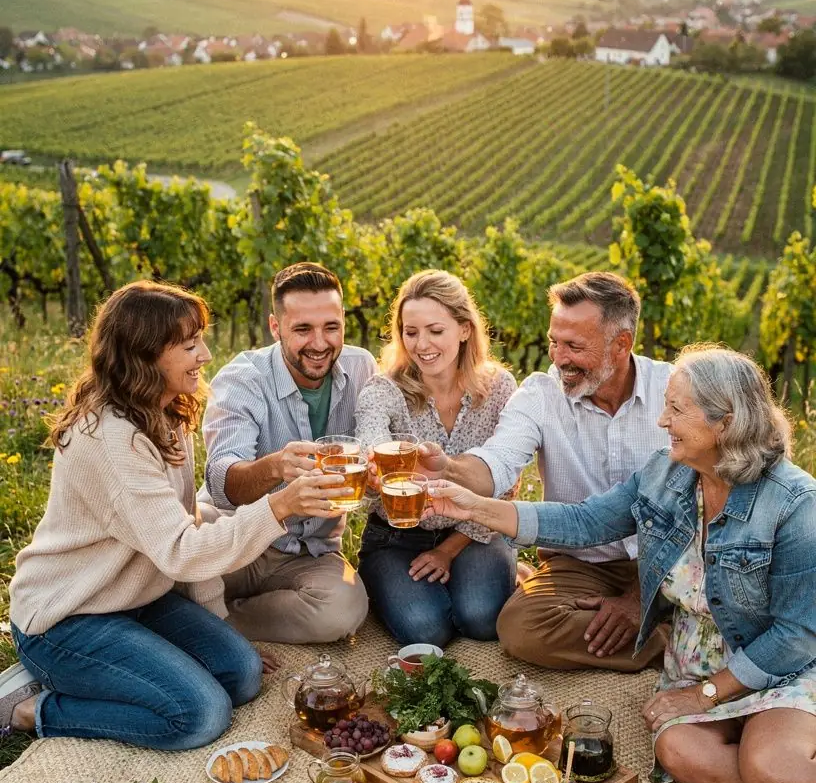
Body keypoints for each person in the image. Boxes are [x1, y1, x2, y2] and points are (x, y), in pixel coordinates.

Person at [428, 345, 816, 783]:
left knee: (769, 770)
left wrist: (704, 695)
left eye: (676, 409)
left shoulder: (794, 503)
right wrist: (473, 507)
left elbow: (797, 635)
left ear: (725, 422)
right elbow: (585, 522)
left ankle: (778, 766)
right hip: (697, 660)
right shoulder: (666, 474)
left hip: (777, 666)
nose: (661, 421)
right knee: (676, 750)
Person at [4, 281, 345, 749]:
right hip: (71, 616)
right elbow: (183, 553)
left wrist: (218, 623)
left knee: (242, 673)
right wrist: (279, 505)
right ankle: (37, 708)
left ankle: (119, 670)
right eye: (189, 345)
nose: (205, 355)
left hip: (136, 602)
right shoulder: (112, 440)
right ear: (145, 357)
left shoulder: (164, 414)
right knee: (201, 714)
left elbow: (189, 522)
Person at [418, 271, 671, 671]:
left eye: (574, 346)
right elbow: (497, 461)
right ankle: (670, 640)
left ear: (621, 344)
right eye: (554, 342)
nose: (558, 358)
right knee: (521, 628)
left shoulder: (671, 391)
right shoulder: (540, 394)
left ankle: (653, 622)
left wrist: (641, 598)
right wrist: (448, 467)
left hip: (670, 563)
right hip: (580, 564)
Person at [201, 262, 375, 643]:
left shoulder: (363, 368)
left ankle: (220, 623)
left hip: (309, 554)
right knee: (165, 574)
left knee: (342, 611)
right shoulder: (243, 378)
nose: (319, 343)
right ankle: (206, 611)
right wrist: (276, 466)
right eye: (302, 329)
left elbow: (373, 466)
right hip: (235, 539)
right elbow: (221, 483)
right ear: (275, 327)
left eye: (332, 327)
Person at [355, 269, 518, 647]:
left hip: (474, 531)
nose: (421, 344)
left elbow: (506, 485)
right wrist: (375, 468)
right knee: (427, 631)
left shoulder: (498, 389)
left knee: (480, 619)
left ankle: (490, 576)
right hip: (396, 538)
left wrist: (448, 551)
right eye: (410, 332)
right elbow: (371, 436)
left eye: (435, 330)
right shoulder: (385, 388)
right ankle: (397, 588)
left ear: (464, 329)